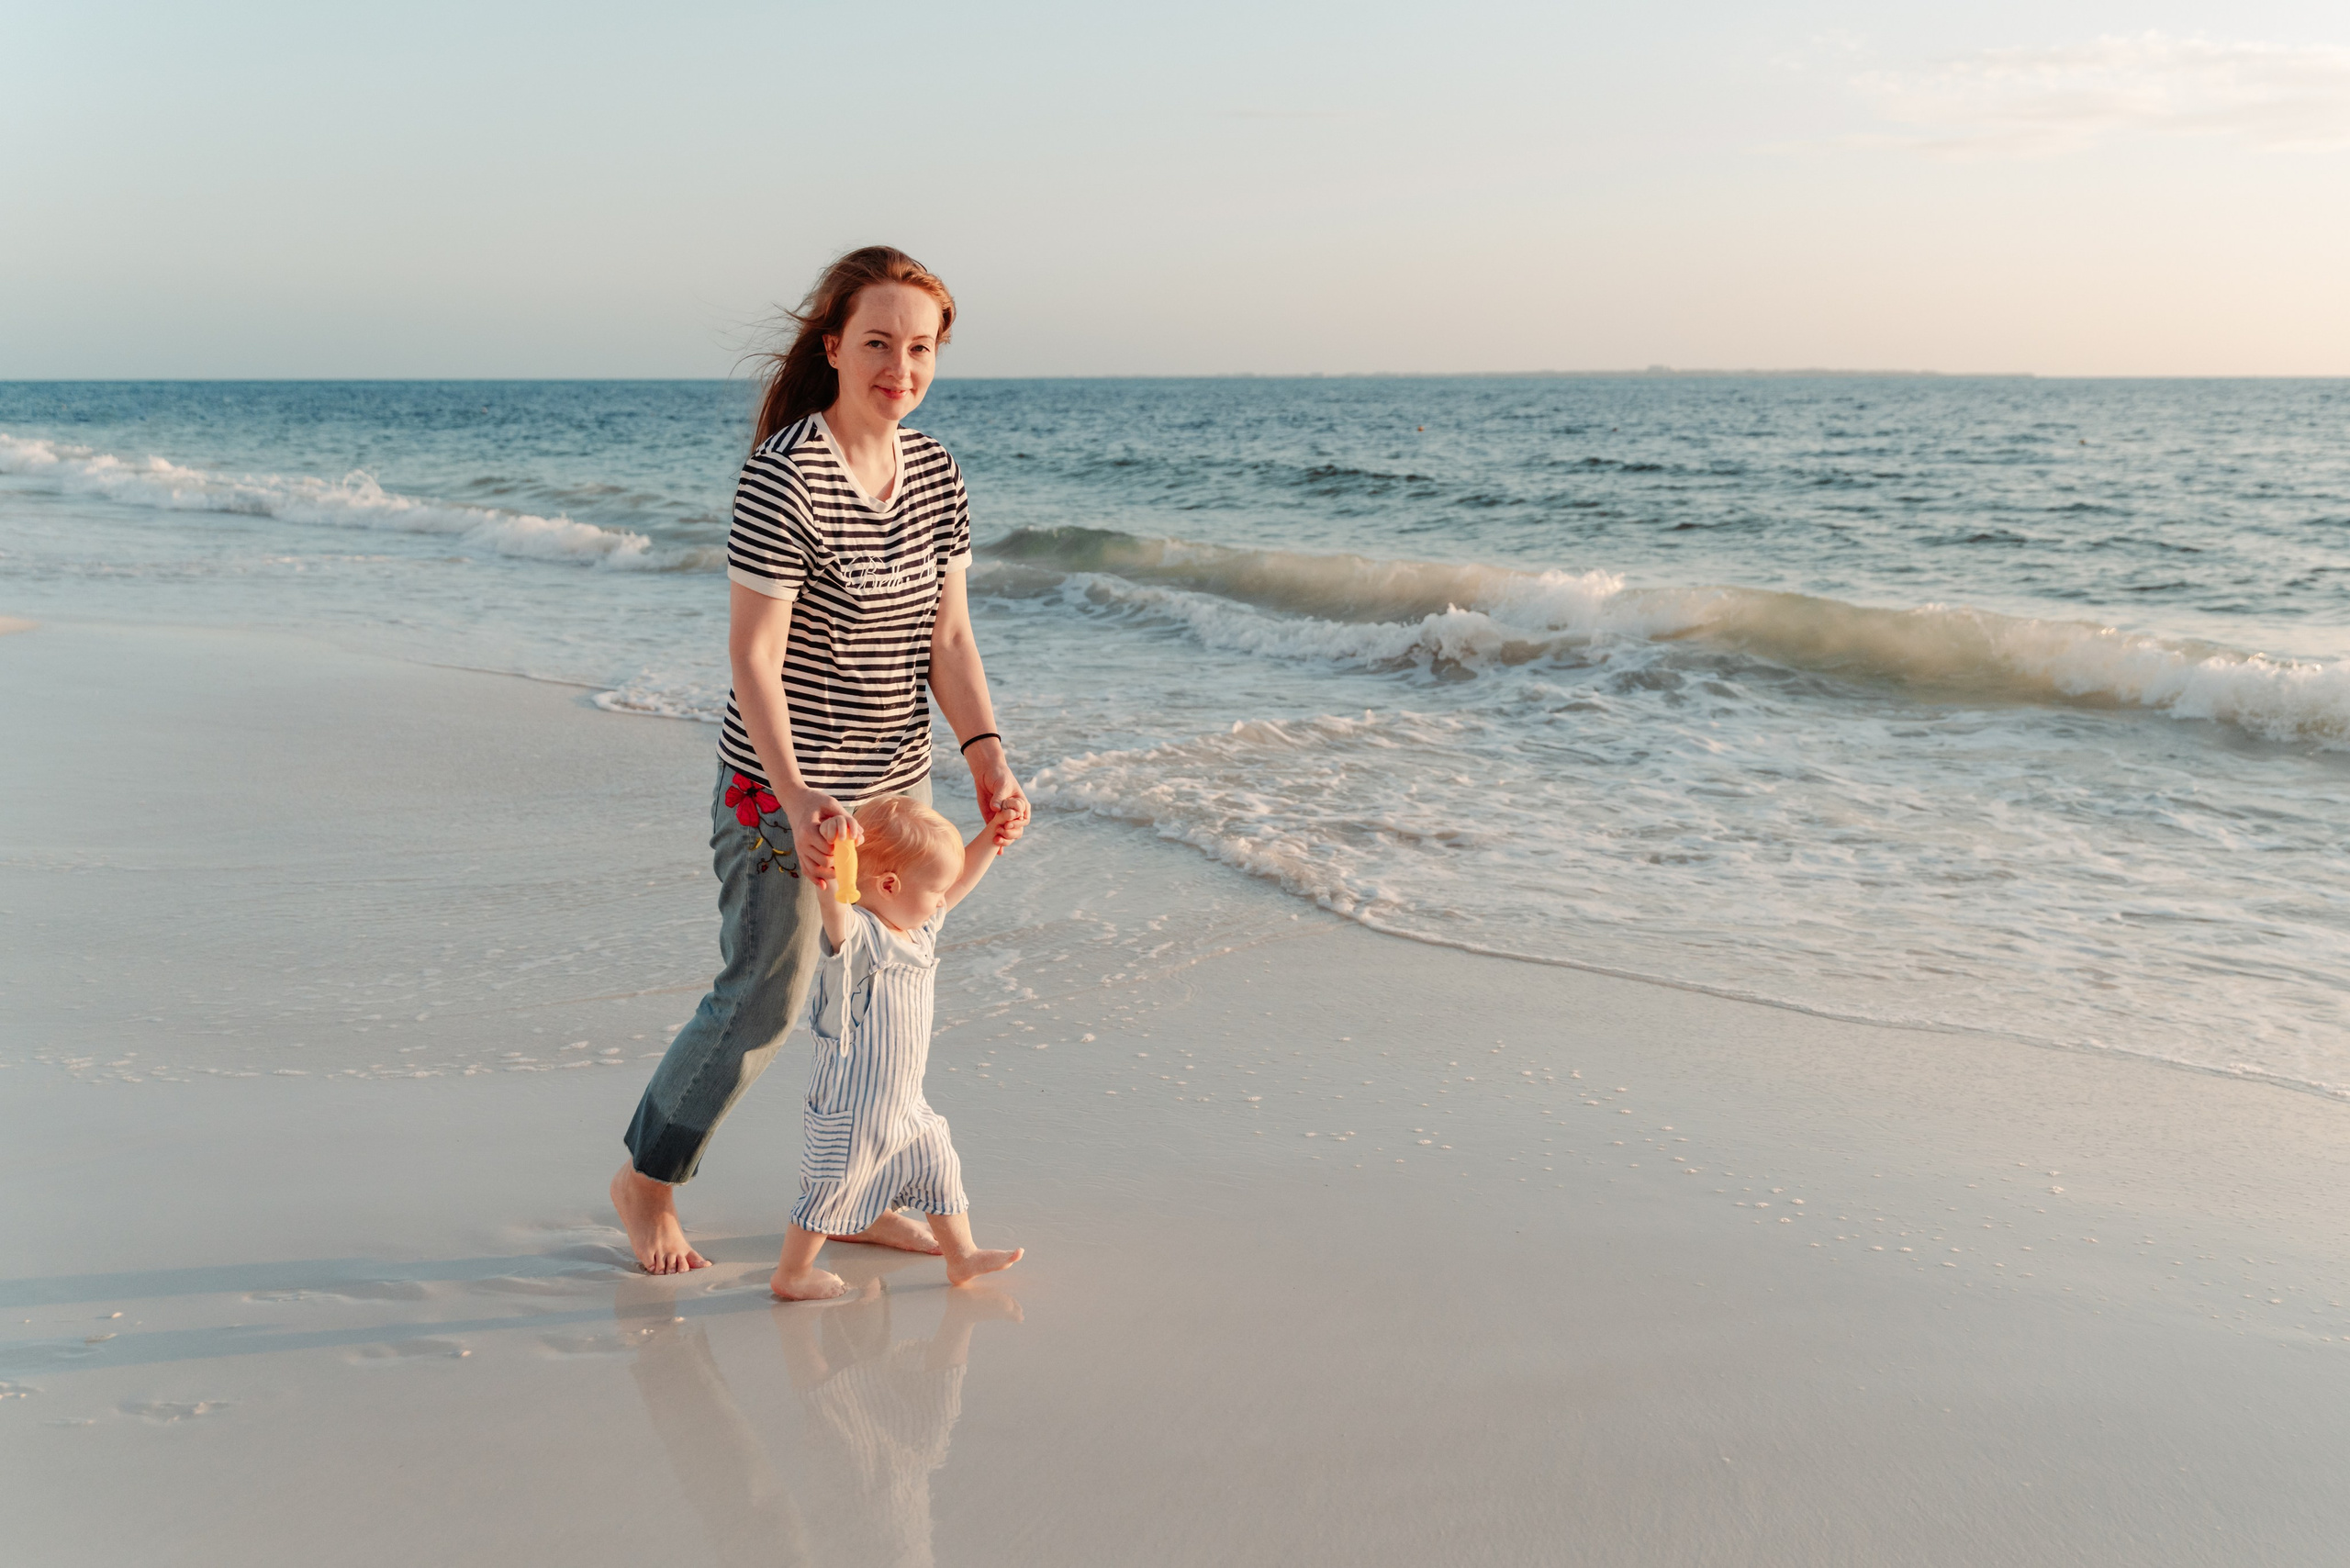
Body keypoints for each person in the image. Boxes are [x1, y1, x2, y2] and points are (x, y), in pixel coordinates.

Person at [611, 246, 1031, 1273]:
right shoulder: (786, 474)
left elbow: (951, 639)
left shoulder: (935, 474)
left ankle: (853, 1196)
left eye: (920, 347)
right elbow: (752, 654)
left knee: (878, 1011)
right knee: (769, 991)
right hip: (781, 787)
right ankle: (646, 1182)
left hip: (894, 786)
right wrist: (797, 796)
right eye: (878, 342)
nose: (900, 365)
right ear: (835, 347)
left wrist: (986, 758)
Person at [772, 793, 1022, 1301]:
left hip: (906, 1102)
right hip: (853, 1108)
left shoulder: (918, 927)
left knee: (940, 1164)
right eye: (935, 891)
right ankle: (792, 1273)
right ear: (888, 885)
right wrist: (835, 861)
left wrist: (992, 835)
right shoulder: (860, 938)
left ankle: (962, 1256)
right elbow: (836, 904)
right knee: (830, 1189)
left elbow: (961, 877)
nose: (943, 899)